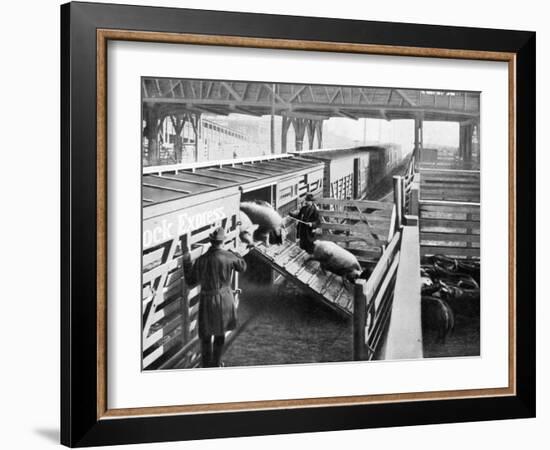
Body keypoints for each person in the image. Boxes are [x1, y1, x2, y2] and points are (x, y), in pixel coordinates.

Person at [182, 227, 247, 367]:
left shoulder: (201, 260)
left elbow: (190, 281)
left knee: (205, 335)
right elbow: (242, 267)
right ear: (222, 242)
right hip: (224, 300)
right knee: (220, 334)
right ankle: (216, 364)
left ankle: (206, 366)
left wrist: (186, 261)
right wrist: (235, 253)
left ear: (211, 242)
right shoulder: (229, 256)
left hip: (207, 301)